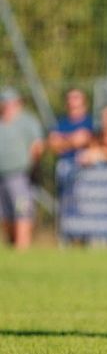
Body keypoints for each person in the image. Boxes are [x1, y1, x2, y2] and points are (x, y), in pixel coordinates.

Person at [0, 87, 44, 249]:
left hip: (20, 175)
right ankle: (12, 244)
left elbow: (37, 146)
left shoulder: (27, 121)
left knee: (22, 210)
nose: (6, 105)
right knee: (5, 215)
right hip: (1, 177)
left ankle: (22, 246)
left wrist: (33, 167)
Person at [47, 88, 94, 182]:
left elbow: (85, 140)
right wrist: (74, 139)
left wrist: (63, 139)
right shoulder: (60, 122)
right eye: (69, 98)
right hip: (65, 164)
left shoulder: (91, 122)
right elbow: (53, 144)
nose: (71, 101)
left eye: (75, 97)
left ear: (84, 101)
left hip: (87, 165)